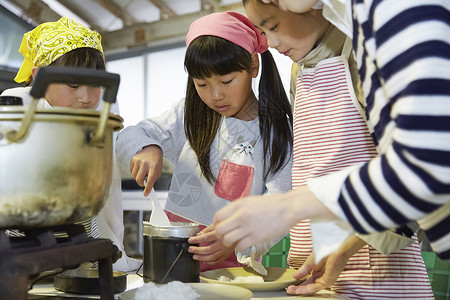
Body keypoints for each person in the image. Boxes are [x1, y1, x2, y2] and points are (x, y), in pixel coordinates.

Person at [213, 0, 450, 278]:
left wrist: (290, 207)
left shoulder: (383, 17)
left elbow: (425, 165)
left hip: (381, 263)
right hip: (323, 253)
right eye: (263, 31)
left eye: (273, 25)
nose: (271, 42)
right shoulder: (301, 70)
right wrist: (337, 246)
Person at [115, 11, 293, 272]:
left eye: (227, 80)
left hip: (235, 269)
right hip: (172, 261)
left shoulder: (276, 130)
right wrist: (146, 147)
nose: (216, 95)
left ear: (253, 66)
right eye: (202, 84)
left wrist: (236, 237)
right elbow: (129, 135)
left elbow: (282, 204)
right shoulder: (190, 114)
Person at [1, 16, 140, 272]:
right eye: (73, 85)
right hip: (21, 234)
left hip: (85, 228)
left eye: (95, 85)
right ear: (38, 77)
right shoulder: (17, 106)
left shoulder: (103, 108)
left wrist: (113, 244)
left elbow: (109, 191)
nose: (86, 98)